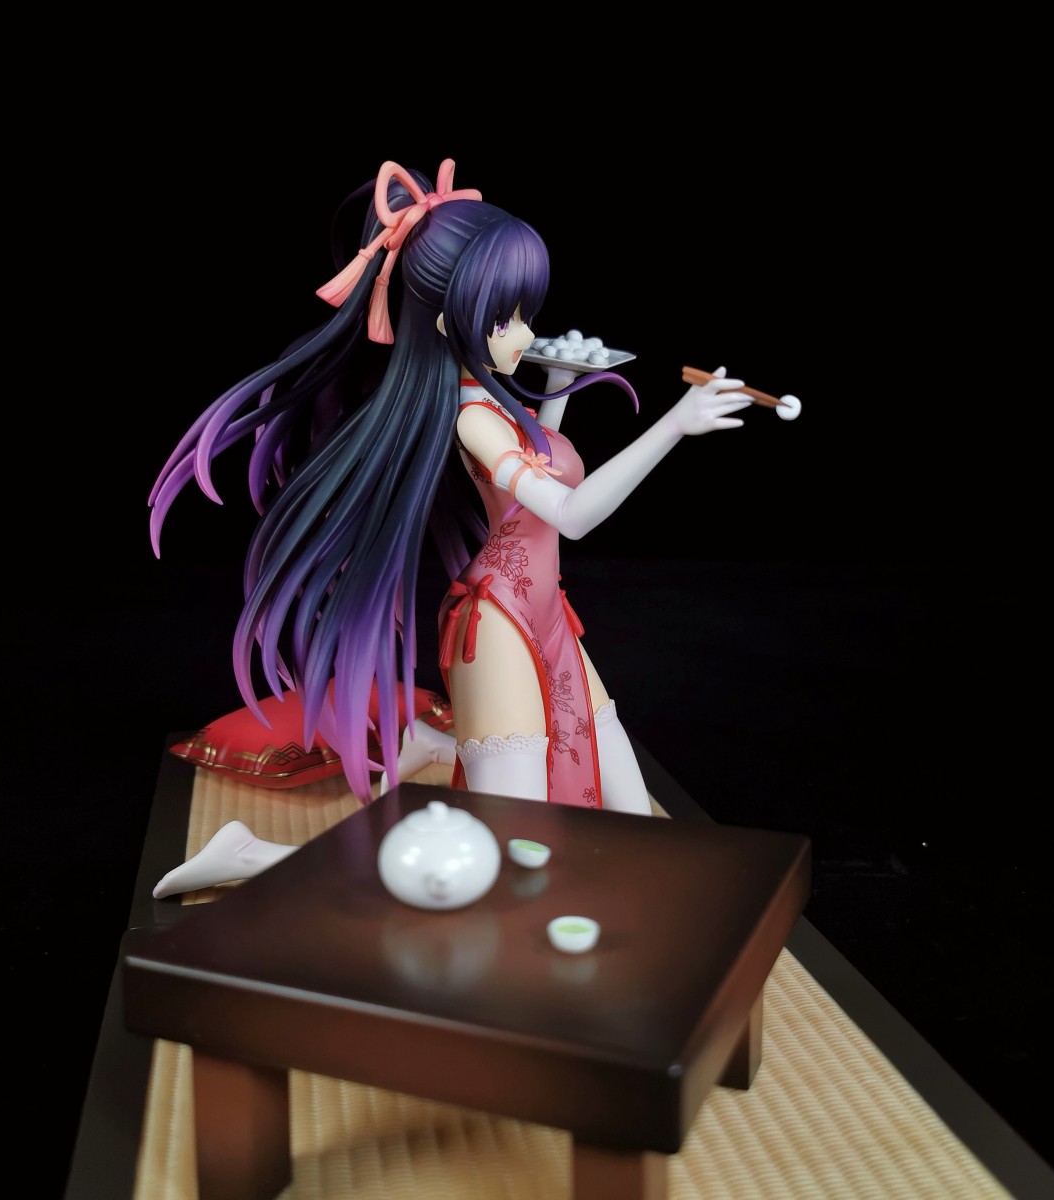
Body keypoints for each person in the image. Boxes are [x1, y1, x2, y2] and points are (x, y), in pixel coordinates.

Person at [148, 158, 771, 898]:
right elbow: (571, 515)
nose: (525, 332)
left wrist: (557, 393)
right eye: (507, 318)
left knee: (629, 809)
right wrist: (674, 426)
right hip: (498, 624)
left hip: (547, 612)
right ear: (449, 322)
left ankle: (432, 745)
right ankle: (251, 856)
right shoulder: (471, 413)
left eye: (525, 312)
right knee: (500, 864)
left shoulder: (497, 399)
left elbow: (534, 470)